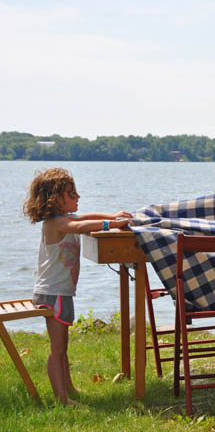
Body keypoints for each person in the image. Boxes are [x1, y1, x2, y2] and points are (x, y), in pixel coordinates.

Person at [23, 168, 132, 405]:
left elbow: (83, 218)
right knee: (57, 349)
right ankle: (62, 399)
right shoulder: (57, 223)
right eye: (71, 193)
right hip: (53, 294)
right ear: (55, 198)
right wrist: (111, 223)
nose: (78, 196)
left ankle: (69, 388)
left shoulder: (64, 219)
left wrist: (112, 215)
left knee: (63, 346)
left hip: (58, 292)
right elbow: (80, 227)